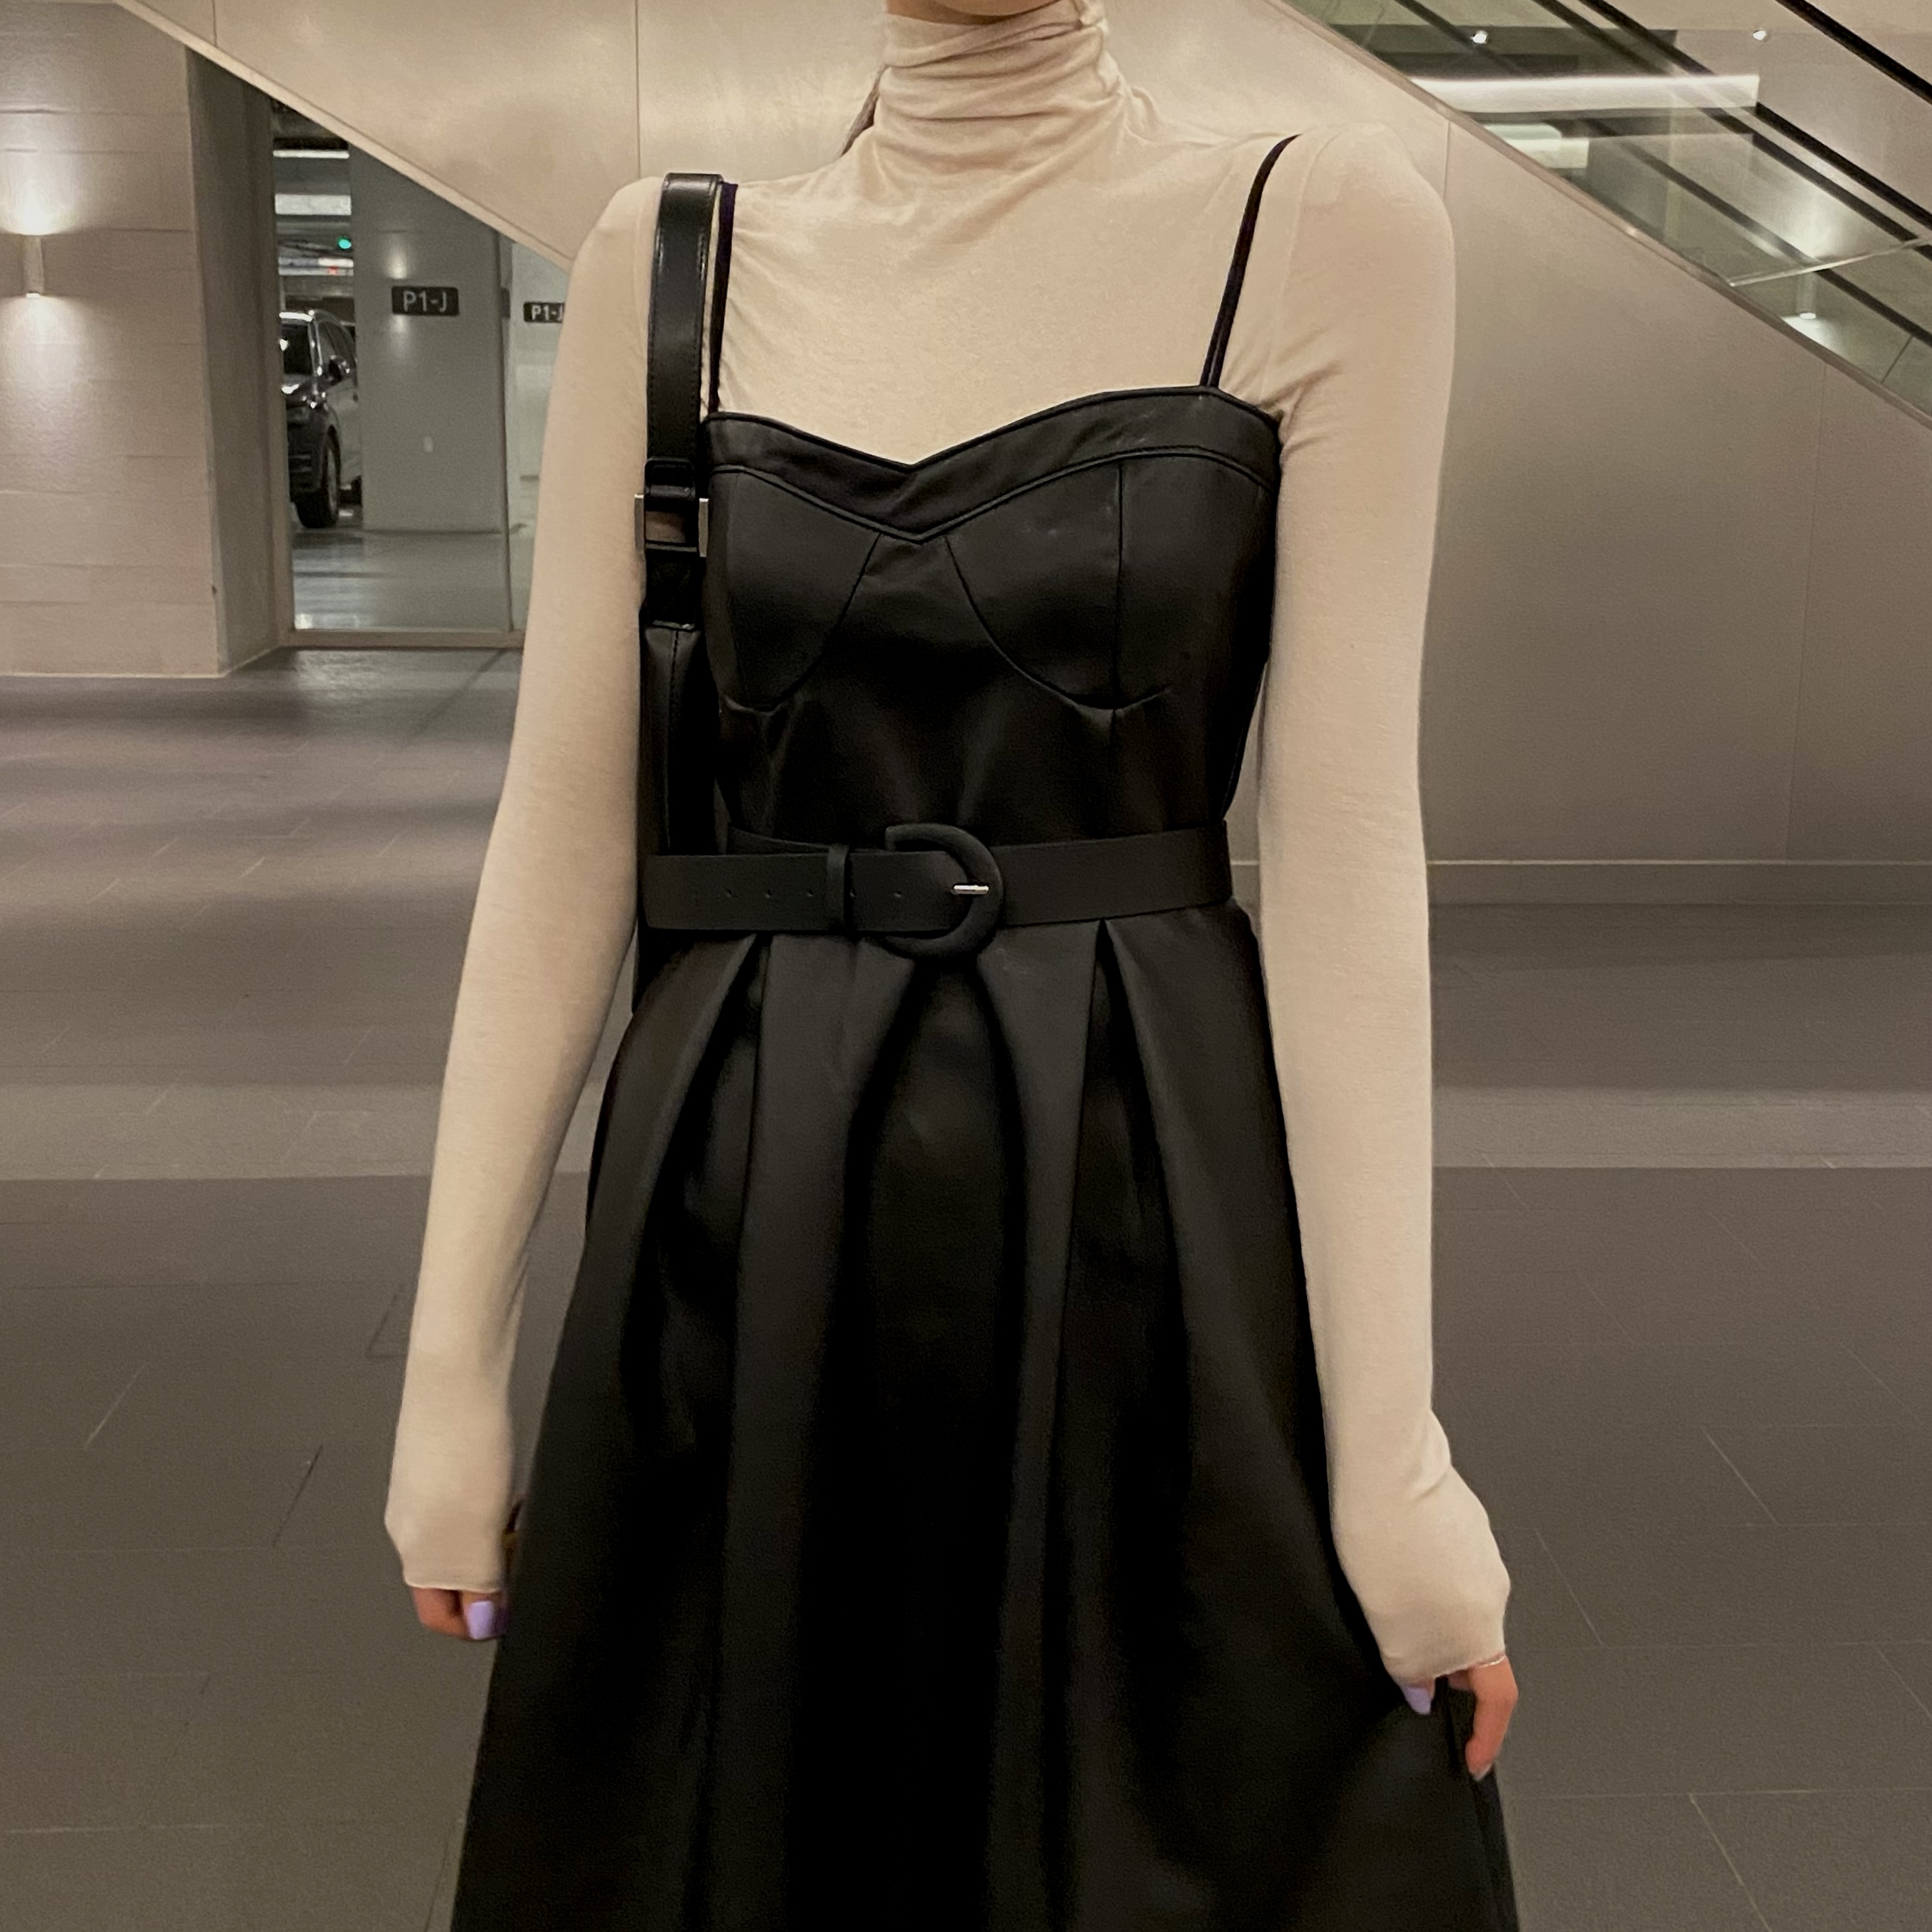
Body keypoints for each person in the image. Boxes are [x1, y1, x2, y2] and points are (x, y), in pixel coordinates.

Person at [386, 1, 1520, 1925]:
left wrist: (1390, 1450)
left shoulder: (1319, 226)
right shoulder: (668, 259)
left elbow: (1341, 845)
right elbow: (568, 824)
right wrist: (450, 1370)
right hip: (742, 1184)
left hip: (1142, 1175)